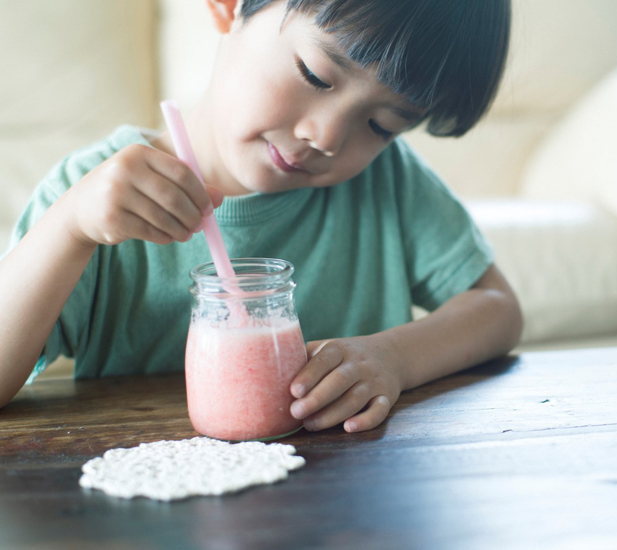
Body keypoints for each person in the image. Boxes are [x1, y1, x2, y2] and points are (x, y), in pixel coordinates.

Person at [0, 0, 522, 432]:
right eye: (316, 75)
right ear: (229, 7)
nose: (327, 137)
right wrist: (70, 228)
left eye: (381, 125)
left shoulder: (387, 183)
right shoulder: (94, 198)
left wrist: (395, 358)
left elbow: (497, 308)